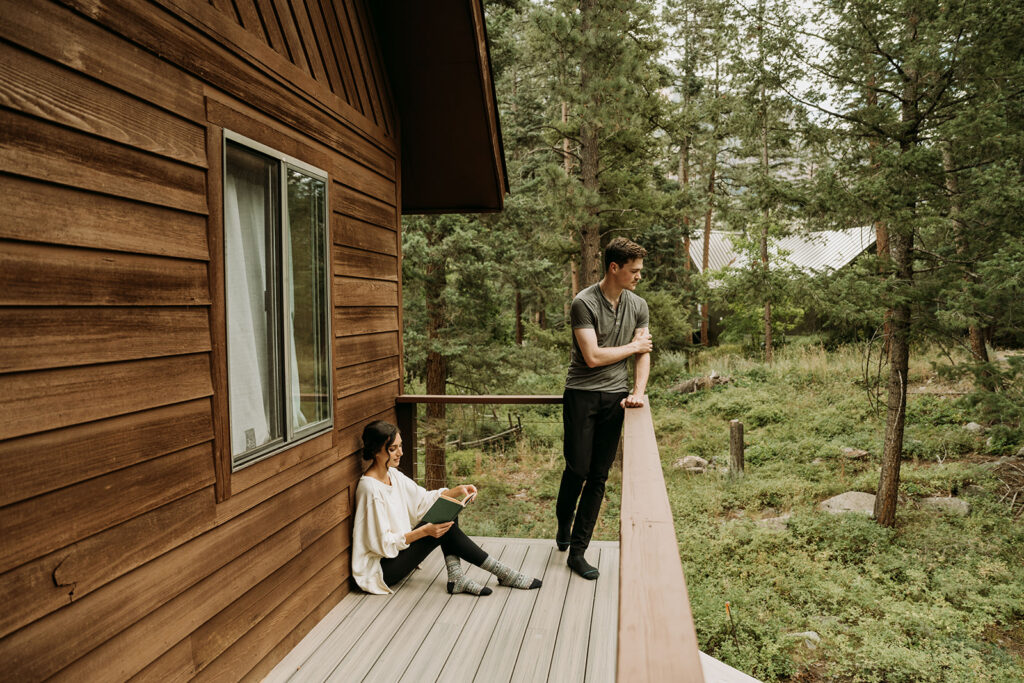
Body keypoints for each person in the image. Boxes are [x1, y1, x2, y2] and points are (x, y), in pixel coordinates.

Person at [351, 420, 542, 595]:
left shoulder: (393, 474)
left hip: (398, 554)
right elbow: (381, 544)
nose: (400, 452)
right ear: (377, 451)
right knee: (442, 519)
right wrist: (425, 531)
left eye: (400, 446)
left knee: (447, 508)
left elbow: (424, 500)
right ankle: (502, 572)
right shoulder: (370, 489)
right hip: (382, 569)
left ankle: (457, 577)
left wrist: (458, 491)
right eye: (393, 449)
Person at [557, 237, 652, 580]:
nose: (639, 275)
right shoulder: (584, 303)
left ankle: (578, 552)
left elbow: (644, 352)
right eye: (634, 270)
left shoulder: (638, 305)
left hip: (616, 397)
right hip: (581, 394)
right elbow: (593, 357)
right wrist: (633, 345)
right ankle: (563, 523)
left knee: (598, 476)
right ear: (615, 267)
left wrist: (638, 392)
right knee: (577, 469)